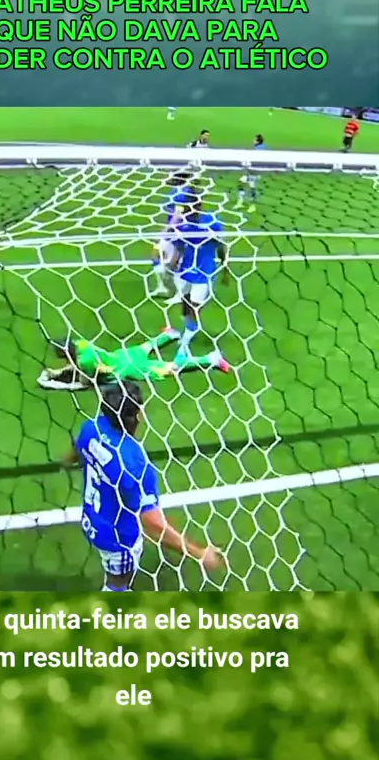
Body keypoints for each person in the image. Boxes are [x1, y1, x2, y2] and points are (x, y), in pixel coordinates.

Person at [60, 381, 225, 591]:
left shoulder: (91, 428)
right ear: (138, 415)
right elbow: (153, 524)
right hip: (119, 540)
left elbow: (76, 451)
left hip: (92, 519)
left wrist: (66, 462)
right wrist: (200, 554)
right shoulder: (135, 464)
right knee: (118, 584)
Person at [37, 327, 229, 391]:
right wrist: (57, 372)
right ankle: (169, 334)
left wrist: (55, 384)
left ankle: (210, 358)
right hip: (119, 355)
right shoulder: (80, 344)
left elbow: (83, 384)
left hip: (126, 367)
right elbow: (77, 365)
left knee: (170, 368)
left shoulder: (84, 362)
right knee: (145, 347)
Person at [166, 201, 229, 359]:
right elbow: (179, 247)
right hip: (186, 271)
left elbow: (221, 247)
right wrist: (173, 264)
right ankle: (189, 327)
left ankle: (188, 336)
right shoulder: (183, 225)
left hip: (204, 272)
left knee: (195, 307)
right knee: (185, 303)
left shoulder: (212, 223)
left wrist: (225, 269)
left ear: (199, 207)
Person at [149, 171, 197, 299]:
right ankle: (163, 287)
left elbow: (178, 214)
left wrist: (166, 230)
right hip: (174, 231)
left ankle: (178, 294)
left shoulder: (182, 193)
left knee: (172, 263)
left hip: (178, 232)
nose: (167, 177)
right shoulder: (179, 190)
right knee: (157, 255)